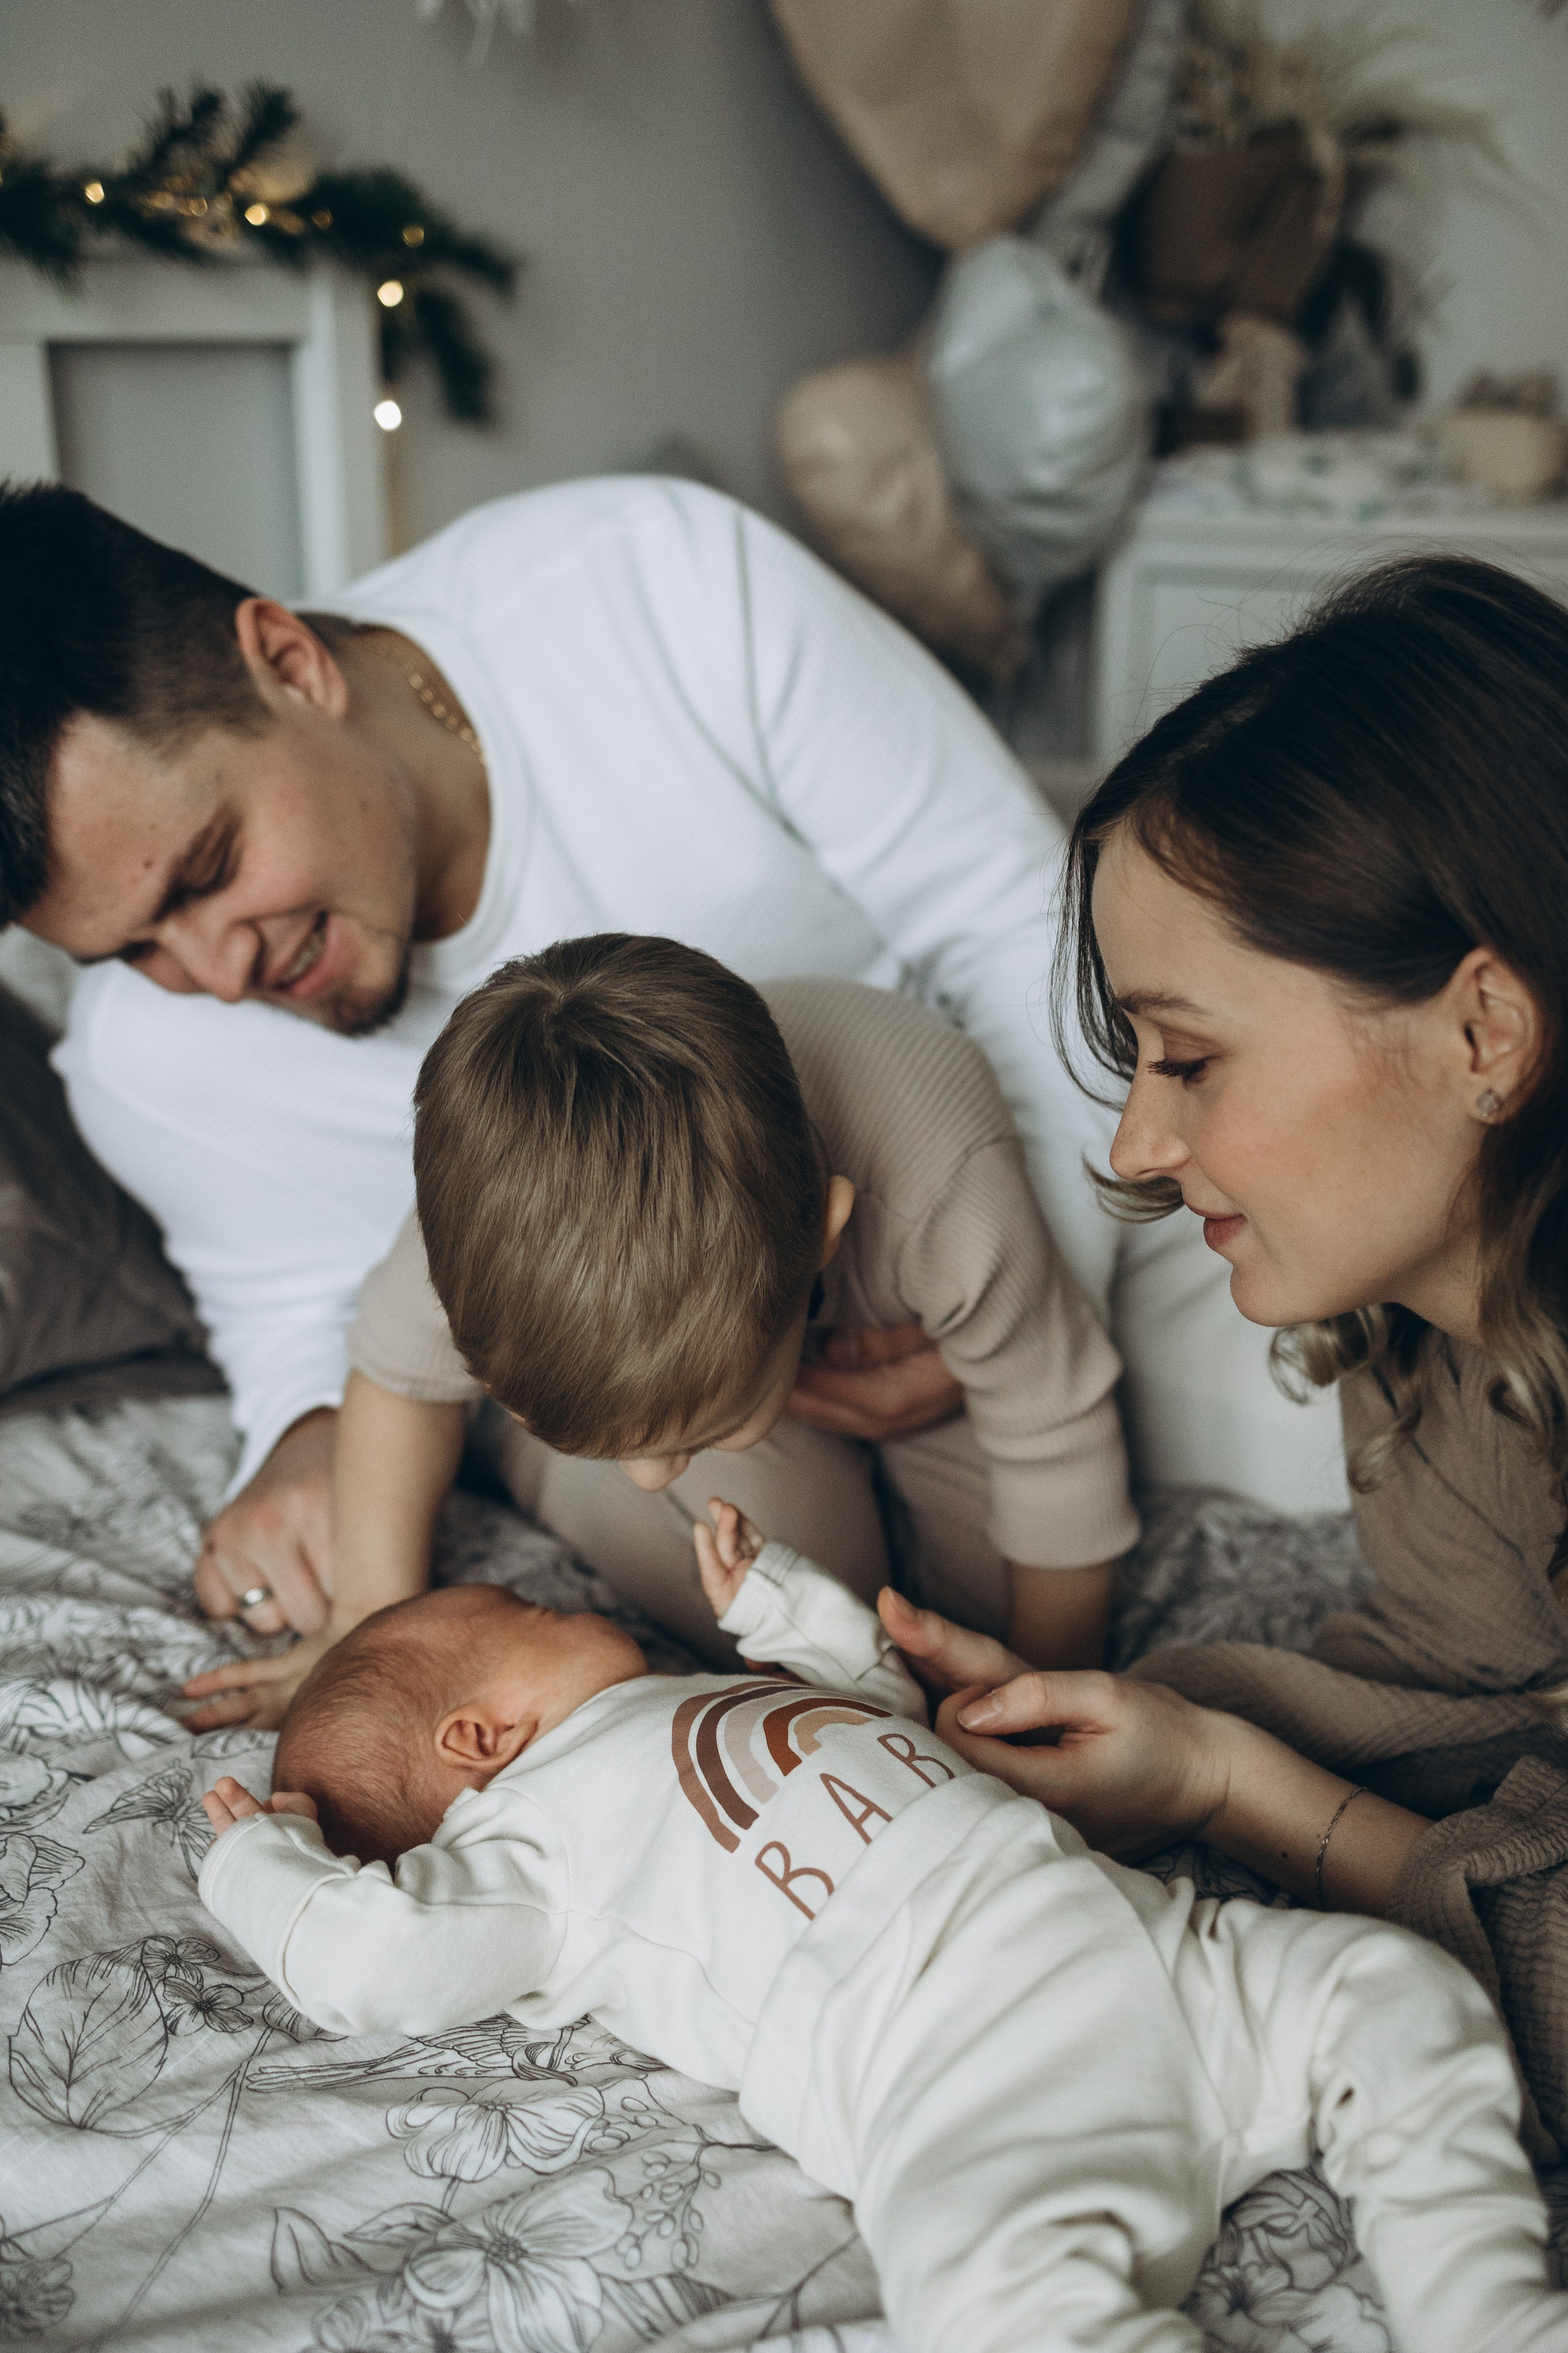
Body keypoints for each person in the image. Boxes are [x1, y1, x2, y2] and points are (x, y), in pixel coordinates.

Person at [0, 477, 1334, 1647]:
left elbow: (1014, 929)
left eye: (210, 870)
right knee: (790, 1595)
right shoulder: (141, 1064)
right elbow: (296, 1307)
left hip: (997, 1187)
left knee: (1315, 1436)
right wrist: (303, 1447)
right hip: (657, 1343)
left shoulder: (657, 584)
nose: (217, 976)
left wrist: (1026, 1273)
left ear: (287, 661)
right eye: (136, 948)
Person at [199, 1498, 1568, 2353]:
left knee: (1391, 1986)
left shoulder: (700, 1698)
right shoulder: (527, 1849)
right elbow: (372, 1957)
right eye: (533, 1610)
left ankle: (1481, 2305)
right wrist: (260, 1862)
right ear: (480, 1733)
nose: (577, 1603)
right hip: (967, 2085)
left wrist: (786, 1610)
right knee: (987, 2296)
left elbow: (878, 1714)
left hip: (1154, 1952)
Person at [873, 553, 1568, 2159]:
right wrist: (1177, 1728)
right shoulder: (1444, 1350)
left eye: (1187, 1057)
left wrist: (1228, 1786)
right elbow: (1478, 1686)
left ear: (1485, 1034)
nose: (1136, 1138)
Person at [182, 937, 1136, 1728]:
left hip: (930, 1369)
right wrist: (367, 1631)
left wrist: (1043, 1702)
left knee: (958, 1634)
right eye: (624, 1450)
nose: (653, 1479)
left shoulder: (944, 1177)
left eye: (688, 1435)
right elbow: (398, 1375)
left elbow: (1054, 1434)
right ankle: (551, 1454)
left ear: (826, 1235)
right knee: (820, 1616)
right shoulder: (498, 1202)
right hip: (744, 1371)